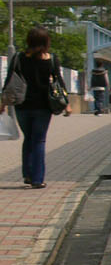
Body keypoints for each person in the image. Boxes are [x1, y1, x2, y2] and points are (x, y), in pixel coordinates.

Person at [8, 27, 65, 189]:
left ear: (28, 41)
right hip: (43, 106)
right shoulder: (52, 59)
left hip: (22, 105)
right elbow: (59, 82)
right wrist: (65, 104)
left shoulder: (18, 58)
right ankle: (37, 179)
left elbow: (9, 81)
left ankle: (27, 174)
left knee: (28, 138)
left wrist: (3, 103)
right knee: (39, 140)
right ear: (46, 42)